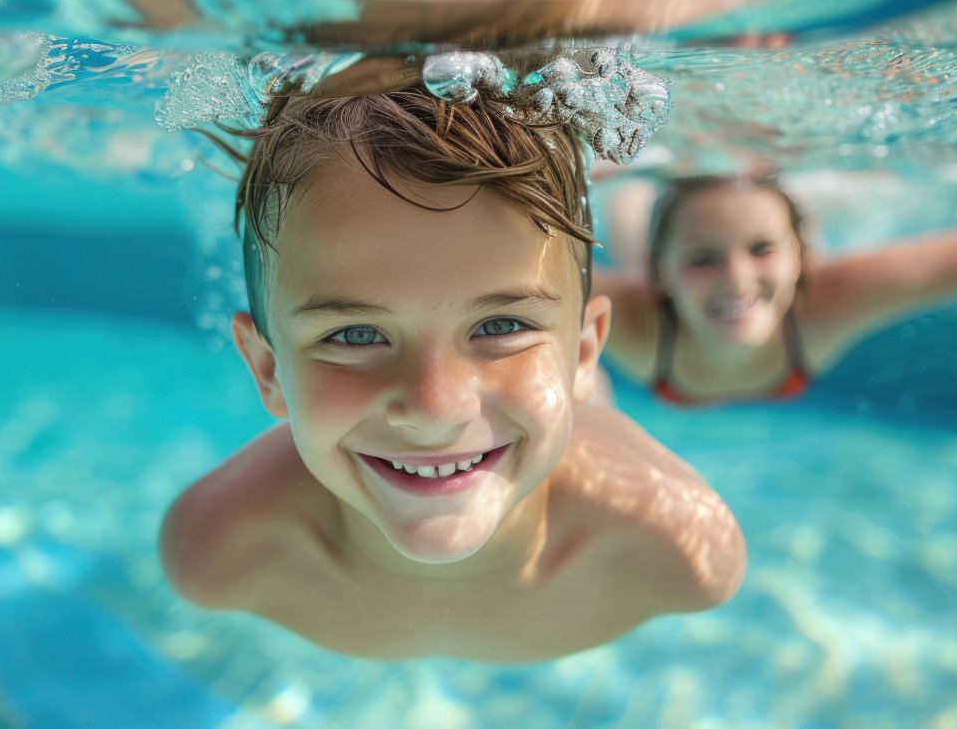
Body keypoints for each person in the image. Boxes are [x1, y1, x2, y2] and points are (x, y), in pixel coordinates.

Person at [158, 78, 746, 662]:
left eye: (500, 326)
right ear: (267, 370)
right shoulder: (217, 551)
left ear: (586, 351)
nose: (435, 408)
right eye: (355, 335)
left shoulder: (678, 550)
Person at [593, 171, 957, 405]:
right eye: (704, 260)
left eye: (764, 250)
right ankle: (634, 184)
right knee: (635, 227)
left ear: (804, 257)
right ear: (666, 272)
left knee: (697, 225)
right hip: (657, 275)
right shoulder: (628, 307)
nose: (738, 279)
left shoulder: (830, 298)